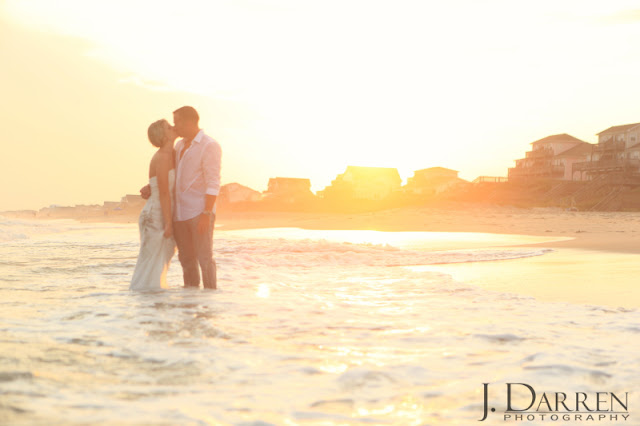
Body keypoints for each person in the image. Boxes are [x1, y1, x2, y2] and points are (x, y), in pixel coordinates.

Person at [140, 106, 222, 289]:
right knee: (186, 260)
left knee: (205, 258)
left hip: (199, 212)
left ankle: (210, 300)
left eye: (177, 122)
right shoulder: (179, 145)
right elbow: (172, 175)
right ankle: (190, 302)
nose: (175, 126)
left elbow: (213, 182)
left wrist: (206, 213)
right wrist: (151, 186)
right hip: (179, 213)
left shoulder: (209, 145)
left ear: (189, 122)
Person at [130, 119, 177, 291]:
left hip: (159, 211)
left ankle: (153, 304)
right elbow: (164, 193)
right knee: (151, 261)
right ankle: (147, 302)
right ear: (163, 136)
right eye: (168, 127)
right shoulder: (163, 156)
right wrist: (168, 223)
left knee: (161, 258)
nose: (173, 128)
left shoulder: (173, 153)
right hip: (155, 214)